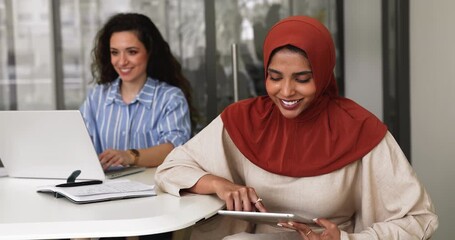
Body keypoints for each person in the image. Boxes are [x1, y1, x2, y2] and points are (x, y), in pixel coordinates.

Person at [154, 16, 438, 240]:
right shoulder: (243, 119)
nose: (286, 91)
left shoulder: (360, 128)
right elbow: (170, 170)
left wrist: (347, 239)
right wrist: (221, 185)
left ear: (324, 74)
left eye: (302, 78)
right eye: (274, 77)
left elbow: (419, 219)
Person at [80, 13, 198, 171]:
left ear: (149, 52)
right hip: (104, 191)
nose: (122, 61)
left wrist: (130, 156)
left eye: (132, 52)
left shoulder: (170, 98)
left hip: (155, 191)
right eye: (115, 52)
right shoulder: (97, 97)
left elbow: (175, 149)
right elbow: (79, 145)